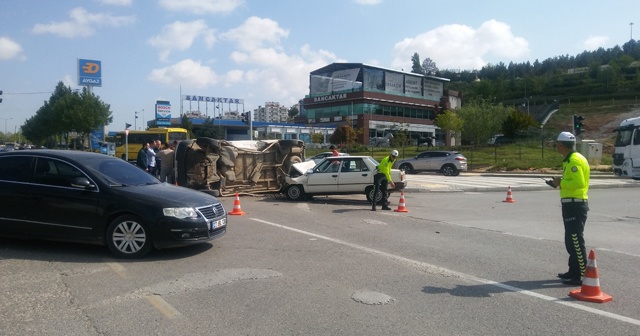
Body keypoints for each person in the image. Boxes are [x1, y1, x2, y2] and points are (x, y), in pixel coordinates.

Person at [552, 131, 590, 286]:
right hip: (570, 203)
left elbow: (579, 183)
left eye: (557, 145)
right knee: (570, 239)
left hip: (575, 204)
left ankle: (581, 274)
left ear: (561, 145)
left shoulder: (574, 160)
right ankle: (573, 270)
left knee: (575, 239)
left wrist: (560, 183)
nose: (556, 147)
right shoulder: (570, 159)